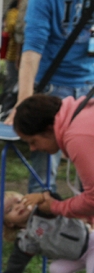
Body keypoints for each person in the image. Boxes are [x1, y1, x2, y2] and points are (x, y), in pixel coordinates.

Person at [7, 0, 94, 197]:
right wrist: (24, 102)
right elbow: (32, 49)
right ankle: (41, 231)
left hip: (90, 86)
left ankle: (86, 233)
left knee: (90, 174)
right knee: (43, 175)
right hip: (54, 88)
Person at [0, 190, 93, 273]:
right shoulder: (26, 239)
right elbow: (17, 262)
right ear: (9, 223)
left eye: (19, 201)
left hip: (91, 244)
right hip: (75, 257)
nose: (18, 207)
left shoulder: (43, 211)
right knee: (56, 270)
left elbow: (55, 199)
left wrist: (42, 197)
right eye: (9, 209)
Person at [14, 94, 94, 222]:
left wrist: (55, 207)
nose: (32, 148)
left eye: (33, 141)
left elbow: (92, 199)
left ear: (49, 129)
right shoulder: (81, 115)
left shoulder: (77, 137)